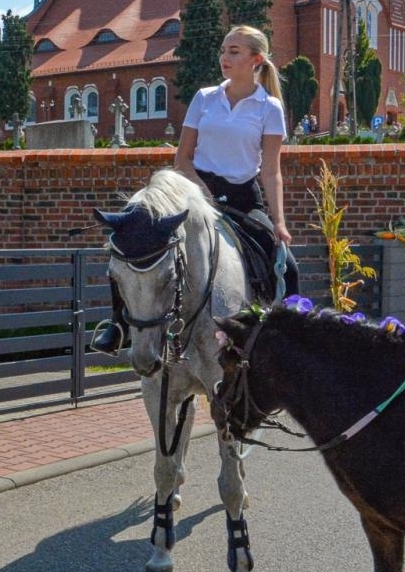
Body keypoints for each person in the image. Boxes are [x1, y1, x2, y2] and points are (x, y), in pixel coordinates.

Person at [91, 24, 291, 355]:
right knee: (133, 235)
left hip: (242, 195)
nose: (224, 57)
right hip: (195, 191)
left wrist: (280, 222)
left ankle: (279, 334)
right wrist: (204, 197)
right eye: (223, 50)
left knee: (283, 259)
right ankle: (117, 326)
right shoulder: (205, 97)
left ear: (256, 59)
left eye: (234, 51)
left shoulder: (269, 107)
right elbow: (182, 158)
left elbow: (271, 171)